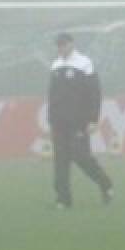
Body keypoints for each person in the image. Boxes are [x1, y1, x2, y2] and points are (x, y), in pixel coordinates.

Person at [46, 32, 113, 209]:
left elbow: (94, 93)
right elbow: (53, 95)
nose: (61, 48)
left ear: (71, 44)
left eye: (63, 44)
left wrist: (93, 119)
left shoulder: (84, 63)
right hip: (59, 122)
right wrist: (50, 119)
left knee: (81, 157)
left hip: (78, 121)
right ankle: (63, 199)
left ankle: (105, 183)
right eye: (58, 45)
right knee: (60, 161)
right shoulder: (55, 65)